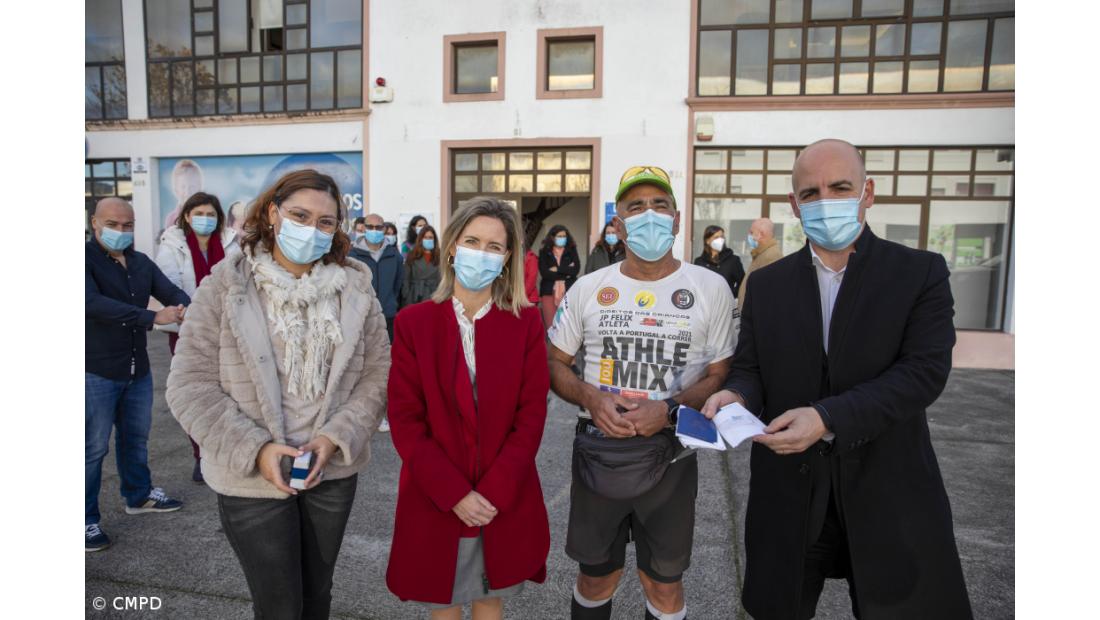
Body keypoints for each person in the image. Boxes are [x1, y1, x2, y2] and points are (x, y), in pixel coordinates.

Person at [702, 139, 972, 619]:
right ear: (794, 204)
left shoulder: (919, 273)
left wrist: (826, 418)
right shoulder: (767, 285)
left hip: (888, 490)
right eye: (810, 193)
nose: (825, 201)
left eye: (840, 187)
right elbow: (752, 367)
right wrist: (736, 394)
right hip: (790, 496)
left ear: (868, 192)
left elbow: (923, 373)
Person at [166, 169, 391, 618]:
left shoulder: (357, 288)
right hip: (251, 478)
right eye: (299, 215)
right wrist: (257, 448)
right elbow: (188, 385)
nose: (312, 229)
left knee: (317, 595)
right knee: (279, 605)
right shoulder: (224, 286)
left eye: (325, 222)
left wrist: (334, 438)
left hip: (329, 471)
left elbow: (377, 374)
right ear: (272, 213)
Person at [547, 166, 735, 620]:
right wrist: (593, 399)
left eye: (659, 205)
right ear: (618, 224)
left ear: (675, 219)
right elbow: (554, 363)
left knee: (664, 585)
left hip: (671, 454)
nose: (648, 215)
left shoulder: (710, 287)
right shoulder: (590, 288)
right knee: (596, 577)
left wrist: (668, 409)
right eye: (635, 207)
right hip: (599, 452)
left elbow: (720, 372)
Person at [386, 197, 551, 620]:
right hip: (436, 495)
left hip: (502, 495)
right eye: (472, 240)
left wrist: (492, 492)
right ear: (453, 247)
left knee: (489, 595)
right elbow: (406, 421)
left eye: (494, 246)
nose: (482, 252)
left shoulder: (526, 323)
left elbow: (531, 417)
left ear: (508, 256)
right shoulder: (414, 323)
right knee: (443, 597)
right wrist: (454, 493)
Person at [86, 197, 190, 553]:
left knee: (136, 439)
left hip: (136, 369)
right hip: (95, 369)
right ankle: (85, 520)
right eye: (112, 224)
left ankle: (139, 495)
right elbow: (91, 304)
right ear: (94, 222)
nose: (121, 231)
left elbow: (169, 291)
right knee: (91, 449)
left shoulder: (141, 262)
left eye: (127, 225)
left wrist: (183, 305)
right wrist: (151, 317)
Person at [154, 191, 241, 483]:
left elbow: (238, 282)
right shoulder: (172, 245)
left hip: (227, 330)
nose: (205, 219)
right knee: (196, 392)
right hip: (188, 330)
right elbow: (171, 286)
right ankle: (200, 455)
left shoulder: (231, 244)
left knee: (230, 392)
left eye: (210, 214)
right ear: (187, 216)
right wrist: (199, 317)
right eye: (199, 214)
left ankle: (224, 449)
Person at [349, 213, 403, 437]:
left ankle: (384, 412)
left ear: (384, 228)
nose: (374, 230)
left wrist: (393, 305)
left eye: (378, 227)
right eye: (369, 226)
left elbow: (399, 284)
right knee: (360, 364)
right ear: (363, 228)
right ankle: (358, 412)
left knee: (387, 365)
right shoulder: (353, 255)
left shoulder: (394, 255)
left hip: (388, 315)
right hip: (360, 316)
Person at [537, 225, 580, 330]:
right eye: (559, 236)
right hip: (548, 292)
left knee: (567, 326)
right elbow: (545, 273)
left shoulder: (572, 250)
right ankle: (551, 346)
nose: (562, 238)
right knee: (551, 327)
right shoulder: (544, 252)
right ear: (552, 237)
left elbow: (576, 270)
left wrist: (558, 269)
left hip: (568, 292)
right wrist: (566, 272)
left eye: (564, 236)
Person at [737, 217, 783, 311]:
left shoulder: (771, 256)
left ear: (761, 234)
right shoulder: (761, 253)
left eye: (751, 232)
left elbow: (768, 295)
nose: (749, 236)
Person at [692, 225, 745, 299]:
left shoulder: (733, 260)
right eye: (716, 237)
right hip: (706, 304)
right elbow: (695, 284)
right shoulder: (699, 262)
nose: (720, 240)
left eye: (722, 237)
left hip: (725, 304)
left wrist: (731, 295)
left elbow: (743, 283)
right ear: (707, 241)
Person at [401, 225, 441, 307]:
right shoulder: (412, 255)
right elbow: (406, 277)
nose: (428, 240)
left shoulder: (440, 256)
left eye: (430, 237)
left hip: (434, 295)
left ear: (434, 240)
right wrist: (406, 295)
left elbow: (443, 278)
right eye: (425, 237)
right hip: (415, 296)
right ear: (421, 239)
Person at [163, 159, 204, 231]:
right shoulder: (171, 219)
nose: (187, 191)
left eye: (192, 187)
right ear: (176, 189)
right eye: (183, 187)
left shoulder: (207, 215)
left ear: (199, 188)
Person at [523, 241, 539, 305]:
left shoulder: (531, 257)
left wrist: (521, 295)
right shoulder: (515, 258)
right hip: (515, 298)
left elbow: (531, 280)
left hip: (529, 299)